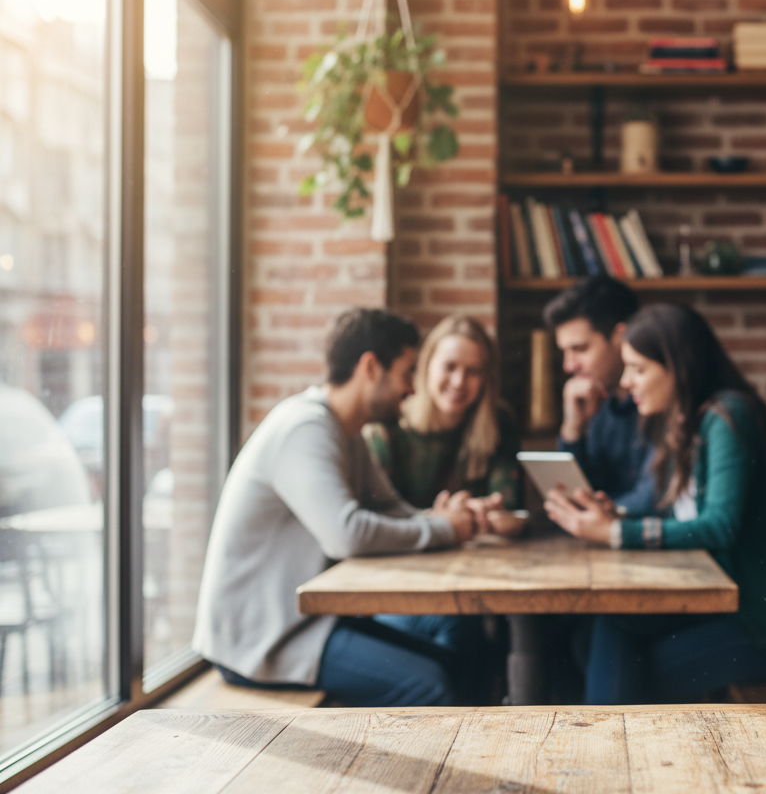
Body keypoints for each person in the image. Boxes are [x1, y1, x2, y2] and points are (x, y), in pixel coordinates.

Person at [192, 308, 484, 707]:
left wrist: (447, 517)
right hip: (263, 642)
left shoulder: (345, 434)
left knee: (460, 665)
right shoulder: (305, 428)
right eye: (406, 372)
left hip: (311, 624)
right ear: (370, 367)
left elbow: (396, 511)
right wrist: (445, 529)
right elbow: (346, 534)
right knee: (433, 686)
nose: (412, 389)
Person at [544, 302, 766, 703]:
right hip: (721, 603)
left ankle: (603, 752)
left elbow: (720, 525)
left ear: (678, 366)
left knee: (627, 674)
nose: (627, 382)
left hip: (764, 620)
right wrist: (618, 514)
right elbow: (672, 508)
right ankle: (607, 747)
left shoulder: (728, 416)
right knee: (600, 634)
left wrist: (615, 532)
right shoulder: (681, 422)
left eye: (638, 369)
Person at [365, 314, 525, 537]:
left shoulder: (501, 423)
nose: (459, 381)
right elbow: (374, 518)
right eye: (450, 367)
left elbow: (510, 505)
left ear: (486, 378)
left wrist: (482, 510)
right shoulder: (387, 428)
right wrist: (440, 519)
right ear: (427, 366)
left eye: (473, 371)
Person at [544, 276, 655, 515]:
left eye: (580, 349)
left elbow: (655, 499)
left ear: (620, 336)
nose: (568, 366)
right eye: (565, 352)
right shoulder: (599, 406)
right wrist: (573, 431)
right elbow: (574, 498)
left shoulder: (659, 402)